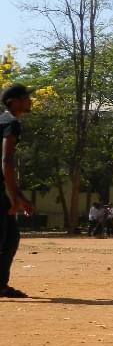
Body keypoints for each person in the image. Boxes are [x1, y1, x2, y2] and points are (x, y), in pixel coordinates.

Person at [0, 84, 35, 298]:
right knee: (7, 238)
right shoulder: (10, 123)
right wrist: (13, 198)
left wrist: (20, 198)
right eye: (25, 98)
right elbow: (6, 160)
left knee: (10, 238)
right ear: (13, 101)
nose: (29, 101)